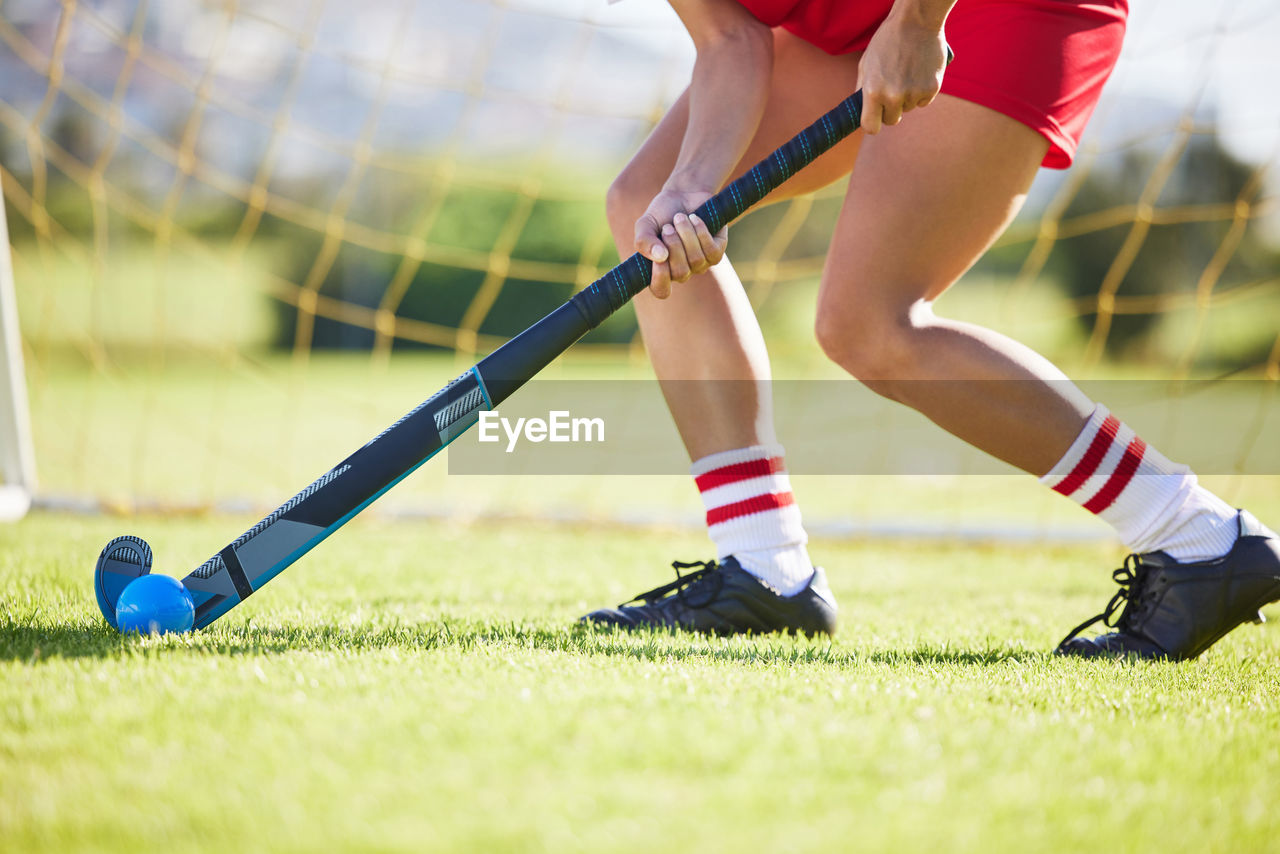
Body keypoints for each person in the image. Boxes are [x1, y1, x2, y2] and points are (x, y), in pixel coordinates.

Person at [581, 0, 1280, 659]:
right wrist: (697, 186)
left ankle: (1200, 539)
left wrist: (917, 20)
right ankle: (764, 572)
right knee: (652, 205)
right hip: (866, 19)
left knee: (869, 323)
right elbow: (730, 42)